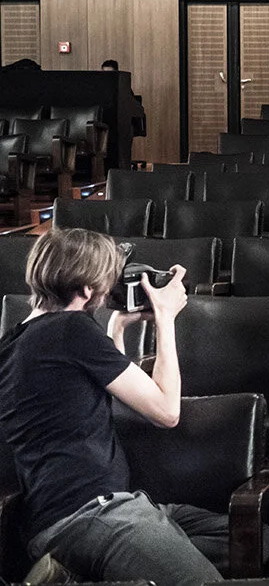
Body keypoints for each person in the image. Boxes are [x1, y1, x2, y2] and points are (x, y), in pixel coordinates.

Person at [0, 228, 227, 585]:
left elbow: (101, 395)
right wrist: (165, 318)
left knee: (247, 538)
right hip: (95, 513)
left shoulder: (15, 342)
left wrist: (116, 329)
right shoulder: (72, 330)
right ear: (86, 290)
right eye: (106, 282)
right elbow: (166, 411)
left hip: (66, 517)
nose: (110, 290)